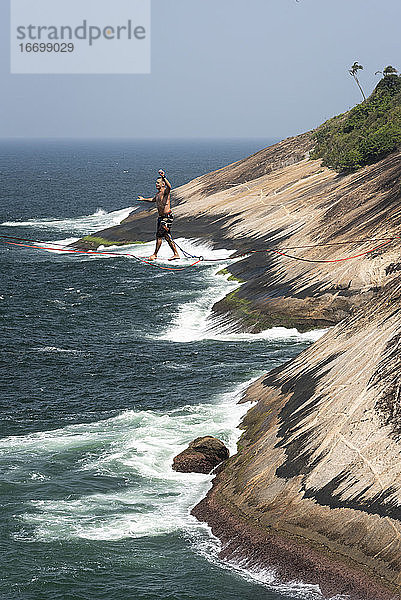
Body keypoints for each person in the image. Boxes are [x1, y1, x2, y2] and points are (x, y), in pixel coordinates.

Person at [137, 169, 180, 261]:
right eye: (156, 183)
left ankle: (155, 254)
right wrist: (143, 199)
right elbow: (153, 200)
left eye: (158, 183)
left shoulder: (165, 192)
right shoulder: (157, 194)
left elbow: (170, 186)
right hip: (161, 218)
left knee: (159, 236)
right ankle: (176, 254)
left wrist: (163, 177)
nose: (156, 184)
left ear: (162, 184)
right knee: (166, 236)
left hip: (167, 217)